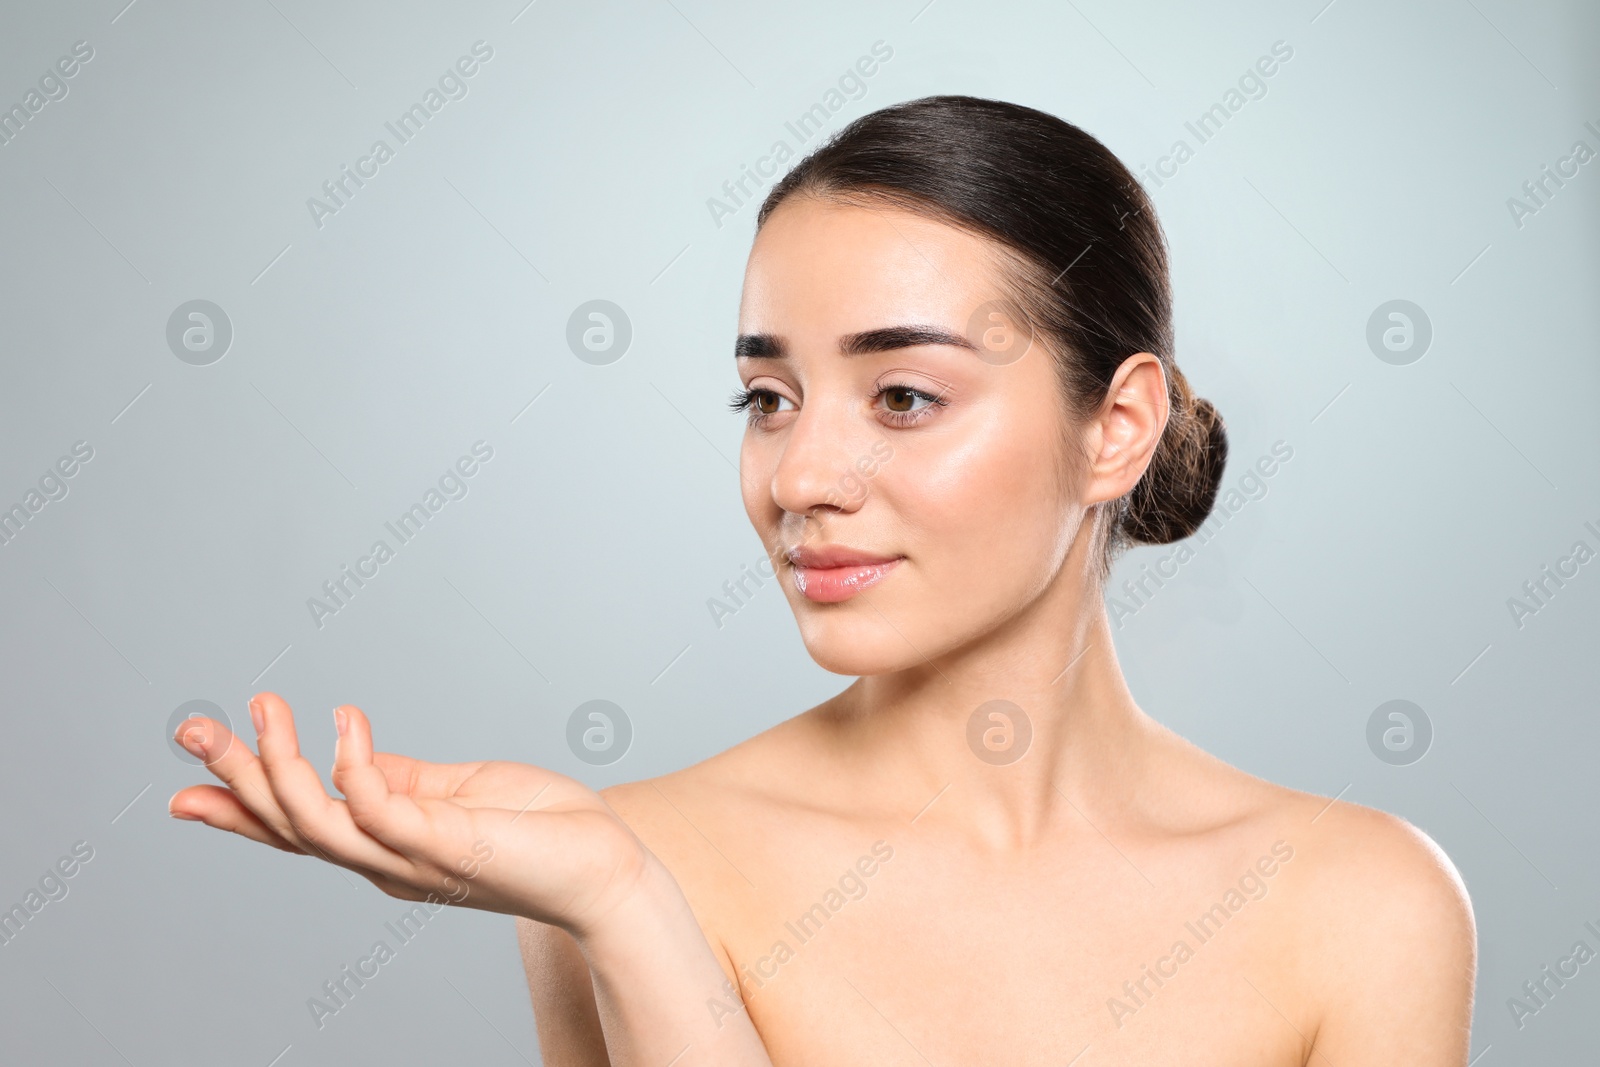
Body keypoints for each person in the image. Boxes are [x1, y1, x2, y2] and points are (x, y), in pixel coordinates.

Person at [169, 95, 1476, 1065]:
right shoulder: (626, 862)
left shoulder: (1356, 906)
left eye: (904, 396)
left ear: (1116, 428)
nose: (800, 476)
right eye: (768, 398)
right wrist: (625, 913)